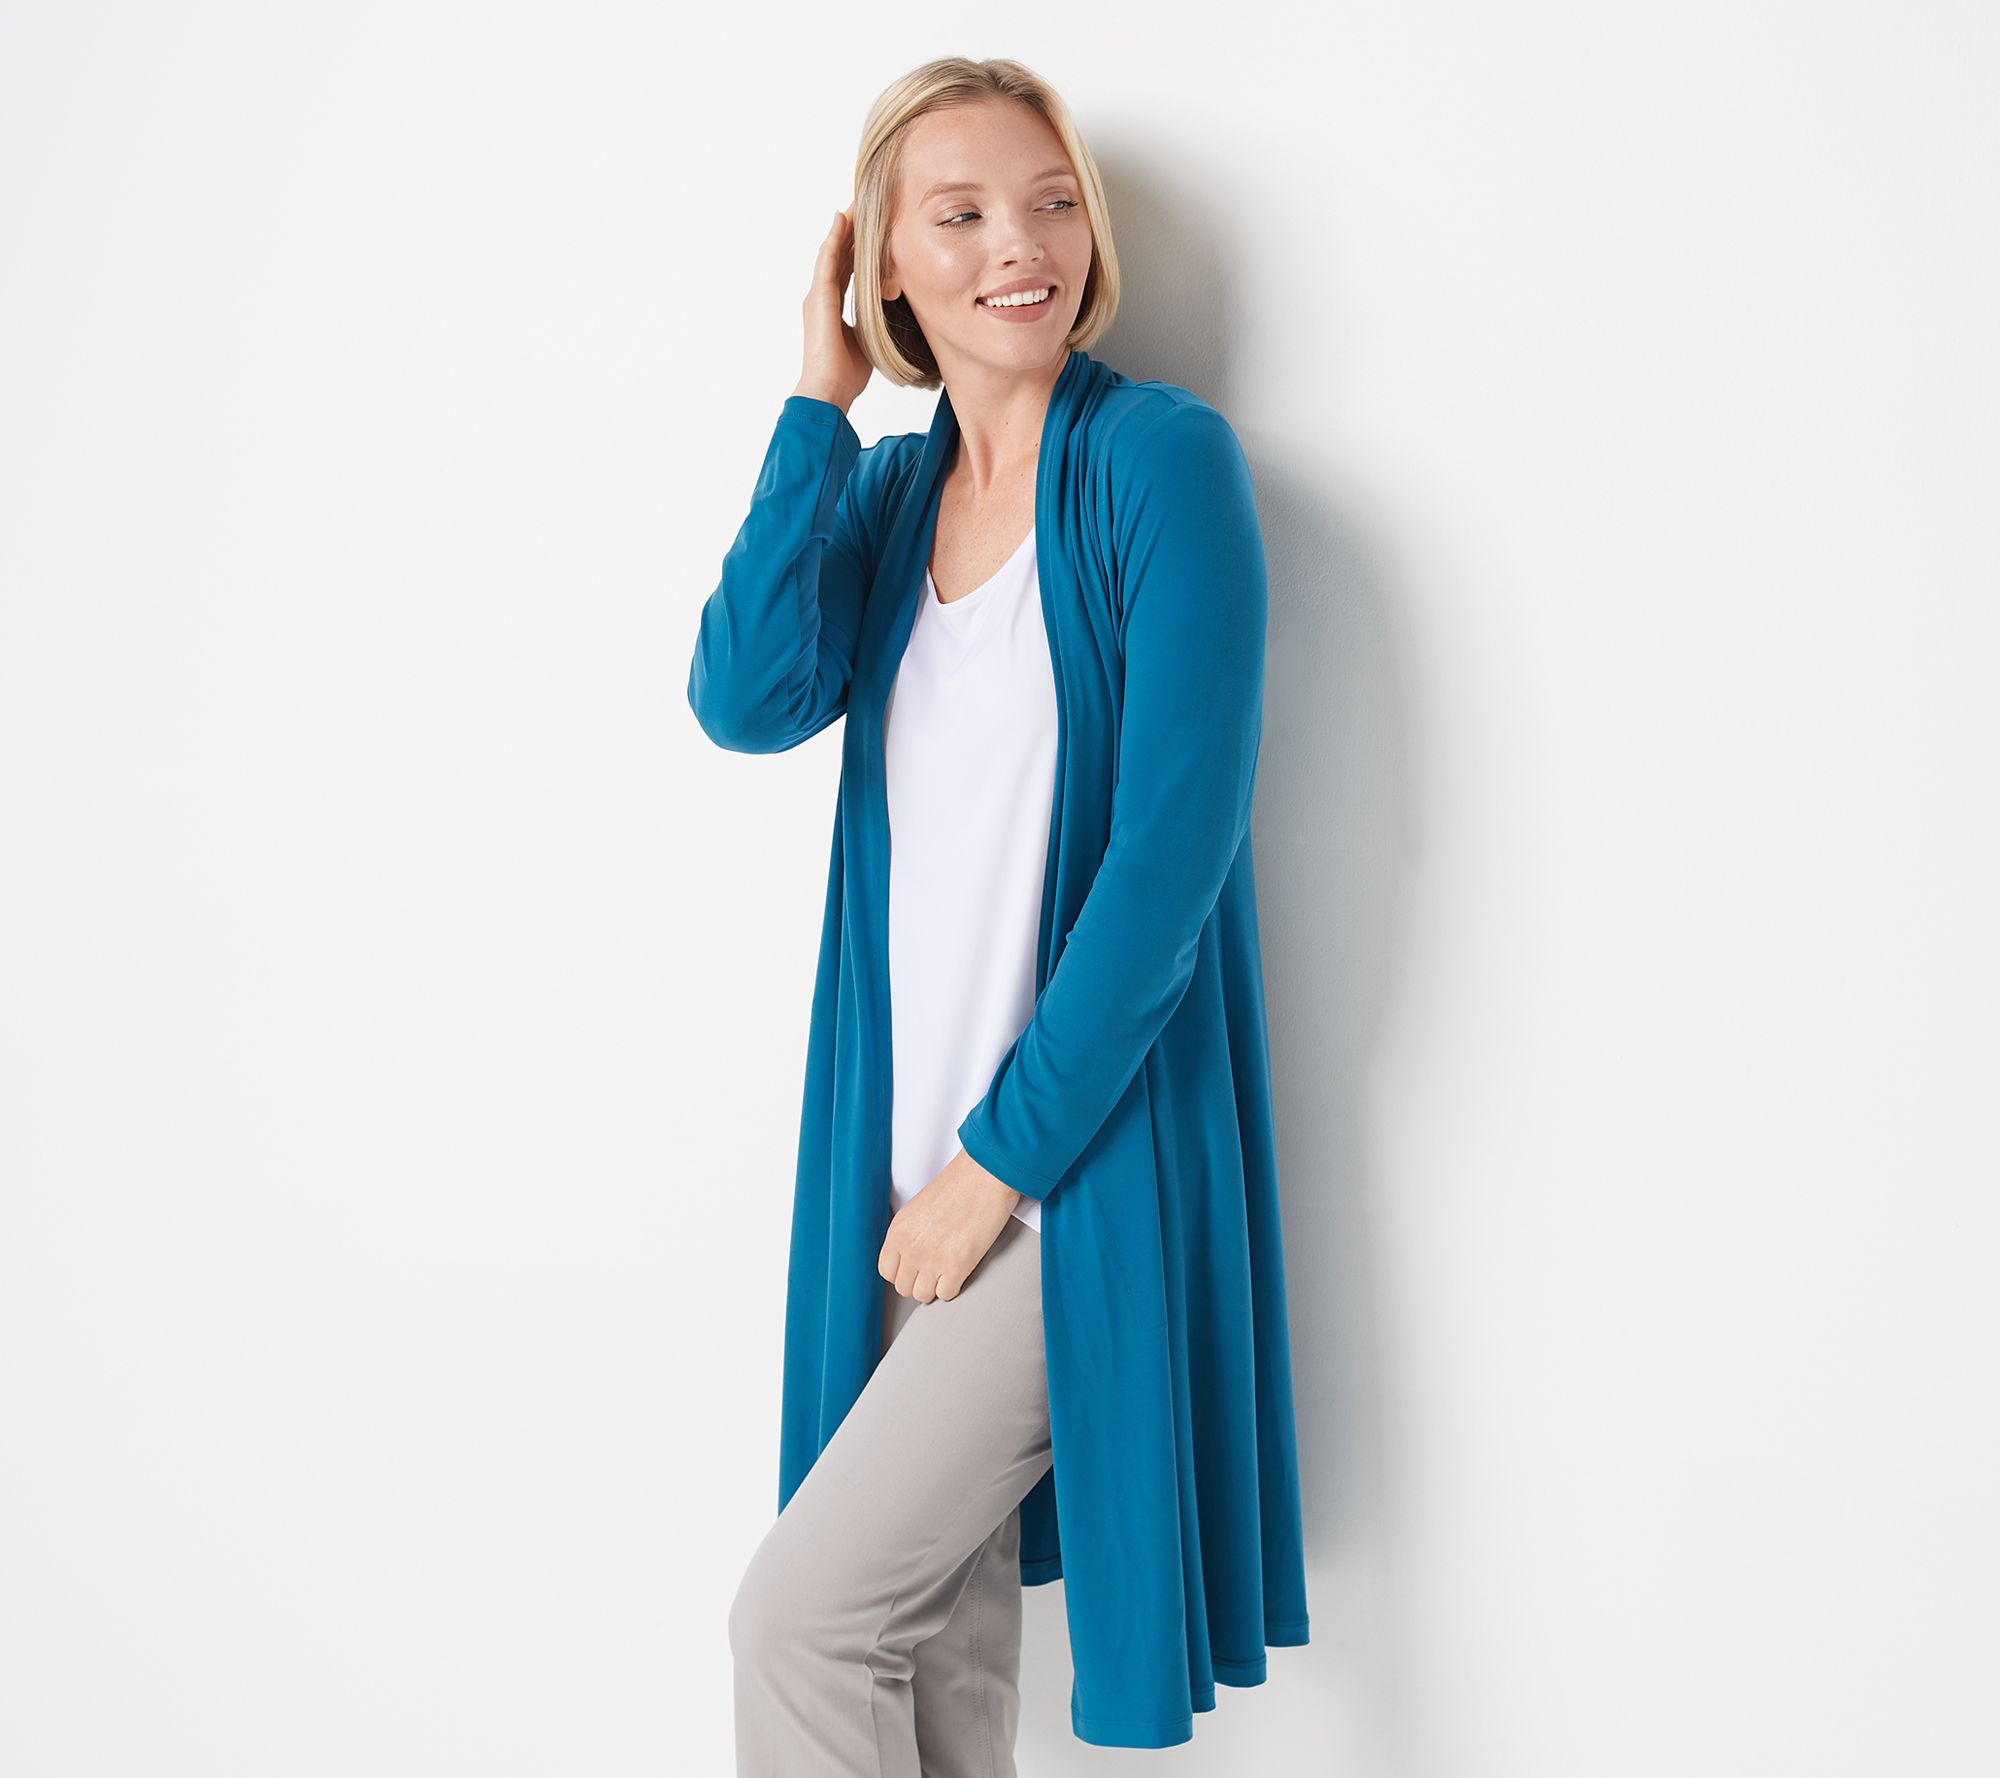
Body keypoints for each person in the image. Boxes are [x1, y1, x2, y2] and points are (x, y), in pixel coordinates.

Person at [689, 55, 1311, 1773]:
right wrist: (814, 409)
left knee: (802, 1619)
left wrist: (996, 1167)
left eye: (1049, 203)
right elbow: (745, 696)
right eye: (957, 215)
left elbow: (1167, 868)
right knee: (932, 1667)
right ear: (881, 263)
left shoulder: (1161, 464)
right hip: (897, 1183)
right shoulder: (888, 499)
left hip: (1068, 1174)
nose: (1018, 245)